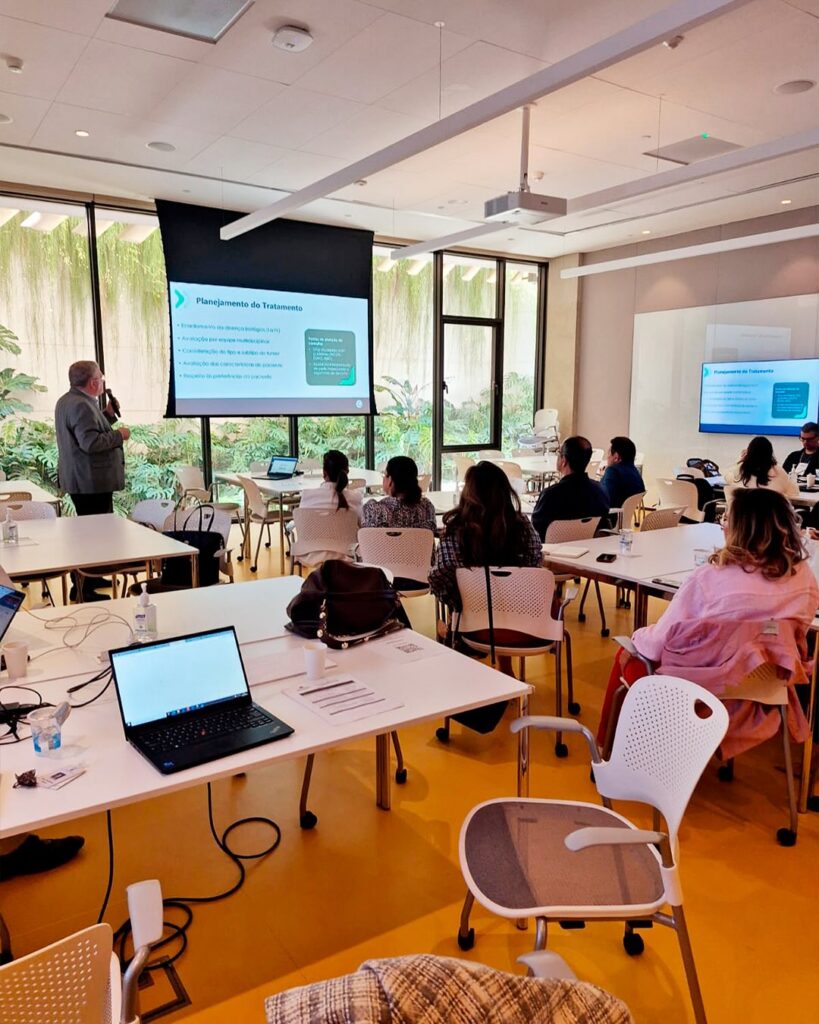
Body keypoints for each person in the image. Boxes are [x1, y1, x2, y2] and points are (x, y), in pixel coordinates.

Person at [597, 488, 819, 755]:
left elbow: (656, 645)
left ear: (739, 528)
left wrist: (639, 635)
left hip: (705, 681)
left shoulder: (709, 579)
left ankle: (609, 752)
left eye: (727, 518)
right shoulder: (804, 579)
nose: (723, 525)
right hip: (768, 684)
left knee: (629, 654)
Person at [430, 460, 542, 614]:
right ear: (505, 492)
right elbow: (534, 564)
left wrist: (457, 603)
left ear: (468, 493)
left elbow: (440, 575)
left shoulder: (456, 531)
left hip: (471, 623)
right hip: (522, 619)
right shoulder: (522, 527)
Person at [55, 360, 129, 517]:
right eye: (100, 378)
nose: (103, 381)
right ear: (92, 383)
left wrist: (108, 414)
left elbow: (86, 430)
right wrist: (119, 435)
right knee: (99, 533)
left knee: (92, 530)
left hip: (82, 480)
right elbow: (90, 443)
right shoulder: (81, 405)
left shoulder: (66, 401)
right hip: (91, 483)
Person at [531, 435, 611, 539]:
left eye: (559, 453)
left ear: (564, 460)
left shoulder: (550, 495)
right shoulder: (601, 491)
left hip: (554, 552)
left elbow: (536, 531)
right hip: (589, 550)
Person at [362, 456, 436, 533]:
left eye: (384, 475)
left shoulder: (373, 509)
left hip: (385, 545)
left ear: (390, 480)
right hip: (416, 545)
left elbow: (366, 539)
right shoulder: (427, 508)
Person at [723, 436, 799, 503]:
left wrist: (740, 460)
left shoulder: (741, 470)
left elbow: (726, 477)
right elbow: (794, 492)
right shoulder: (779, 471)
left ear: (749, 453)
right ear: (770, 453)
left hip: (745, 518)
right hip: (772, 518)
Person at [298, 449, 364, 521]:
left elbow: (302, 522)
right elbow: (361, 524)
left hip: (313, 532)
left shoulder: (307, 496)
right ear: (347, 472)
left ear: (324, 473)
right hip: (345, 532)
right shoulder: (355, 498)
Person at [599, 436, 645, 510]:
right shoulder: (636, 472)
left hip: (609, 518)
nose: (607, 457)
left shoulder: (613, 471)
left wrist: (603, 477)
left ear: (616, 457)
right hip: (624, 517)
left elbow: (604, 500)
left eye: (609, 454)